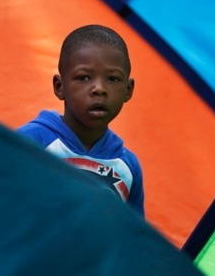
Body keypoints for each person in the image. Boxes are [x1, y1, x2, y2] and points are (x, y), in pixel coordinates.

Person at [17, 24, 145, 216]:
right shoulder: (30, 142)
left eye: (113, 79)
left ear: (128, 90)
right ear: (60, 87)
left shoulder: (128, 167)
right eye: (84, 77)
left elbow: (132, 239)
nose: (99, 89)